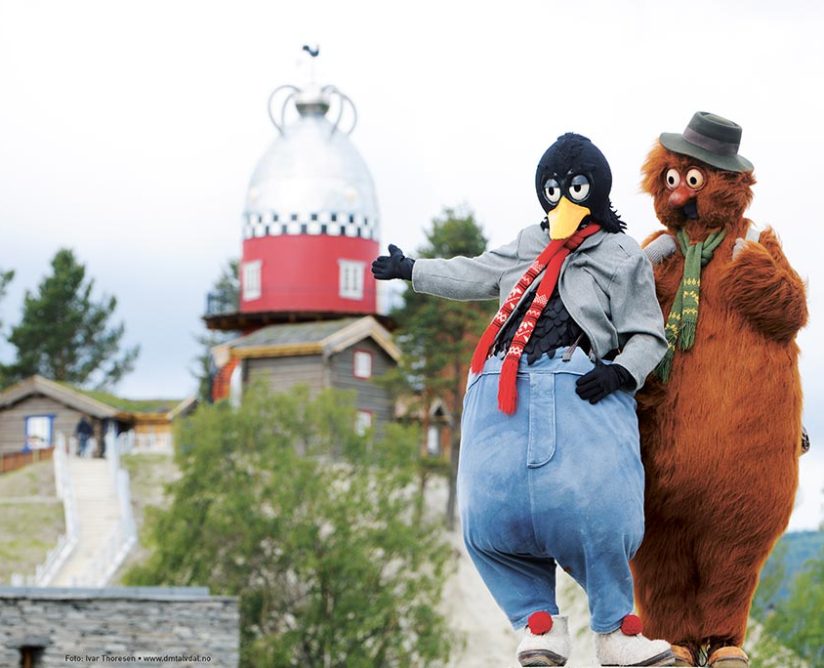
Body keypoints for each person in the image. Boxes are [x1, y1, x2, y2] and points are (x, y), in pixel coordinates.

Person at [373, 133, 674, 667]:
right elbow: (475, 272)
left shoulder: (618, 254)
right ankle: (537, 621)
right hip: (503, 392)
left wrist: (619, 374)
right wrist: (413, 270)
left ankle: (614, 630)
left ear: (596, 190)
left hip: (581, 390)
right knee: (488, 520)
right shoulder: (527, 244)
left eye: (575, 188)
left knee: (598, 515)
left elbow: (648, 334)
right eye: (554, 189)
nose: (564, 200)